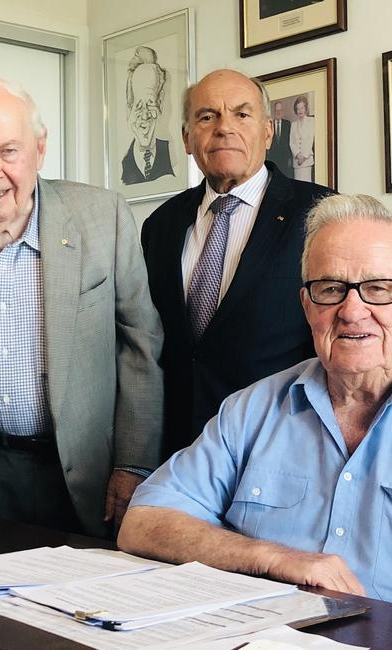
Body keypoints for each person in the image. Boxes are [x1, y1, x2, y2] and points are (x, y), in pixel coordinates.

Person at [121, 193, 392, 636]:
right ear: (308, 307)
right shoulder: (252, 409)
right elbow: (145, 522)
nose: (351, 310)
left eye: (379, 288)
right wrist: (274, 557)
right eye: (330, 288)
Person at [0, 78, 164, 537]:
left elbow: (141, 343)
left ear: (39, 151)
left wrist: (134, 464)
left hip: (82, 472)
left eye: (8, 151)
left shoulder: (103, 218)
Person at [140, 69, 331, 458]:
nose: (224, 128)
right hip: (179, 450)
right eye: (207, 116)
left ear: (268, 131)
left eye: (242, 114)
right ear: (187, 138)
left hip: (283, 444)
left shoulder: (320, 215)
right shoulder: (159, 226)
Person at [121, 46, 174, 185]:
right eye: (138, 105)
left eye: (150, 104)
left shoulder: (173, 158)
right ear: (129, 110)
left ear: (160, 104)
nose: (144, 116)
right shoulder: (123, 164)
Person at [289, 95, 315, 181]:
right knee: (298, 187)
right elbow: (291, 142)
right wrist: (297, 155)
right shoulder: (293, 124)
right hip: (297, 163)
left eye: (302, 108)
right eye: (298, 108)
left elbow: (310, 140)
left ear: (306, 108)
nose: (300, 111)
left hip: (307, 162)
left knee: (307, 186)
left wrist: (303, 156)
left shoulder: (311, 121)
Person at [266, 101, 292, 176]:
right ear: (274, 111)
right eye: (277, 110)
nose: (278, 112)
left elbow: (290, 141)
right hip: (273, 158)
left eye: (280, 110)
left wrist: (290, 158)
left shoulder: (287, 124)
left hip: (285, 158)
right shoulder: (269, 125)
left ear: (282, 111)